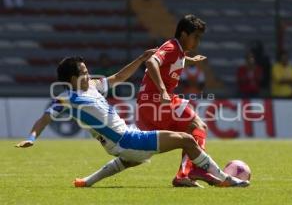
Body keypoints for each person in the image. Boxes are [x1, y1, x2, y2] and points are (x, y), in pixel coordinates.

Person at [15, 50, 249, 188]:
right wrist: (31, 137)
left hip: (123, 141)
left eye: (87, 70)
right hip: (126, 139)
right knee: (187, 139)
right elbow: (45, 118)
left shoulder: (93, 87)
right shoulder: (67, 98)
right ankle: (224, 179)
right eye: (84, 72)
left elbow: (118, 77)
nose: (88, 74)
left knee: (134, 158)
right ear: (72, 78)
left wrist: (140, 59)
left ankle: (88, 181)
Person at [136, 14, 217, 187]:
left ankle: (185, 174)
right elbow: (151, 62)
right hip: (157, 101)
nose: (198, 42)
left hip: (150, 104)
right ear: (183, 34)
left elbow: (173, 60)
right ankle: (192, 170)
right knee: (197, 127)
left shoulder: (178, 51)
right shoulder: (172, 46)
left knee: (194, 130)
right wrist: (163, 91)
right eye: (195, 37)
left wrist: (189, 60)